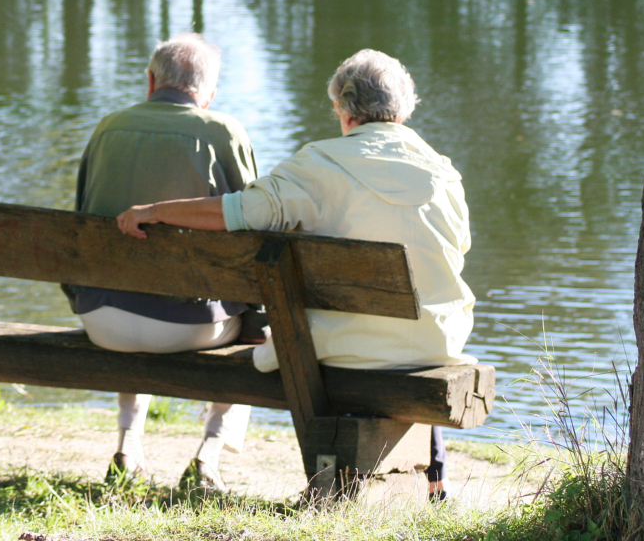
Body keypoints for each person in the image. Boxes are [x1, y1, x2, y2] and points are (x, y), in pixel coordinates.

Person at [115, 48, 476, 501]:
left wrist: (154, 211)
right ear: (402, 108)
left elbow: (238, 212)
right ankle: (432, 479)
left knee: (282, 342)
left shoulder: (320, 164)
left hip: (348, 348)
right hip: (433, 343)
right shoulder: (444, 173)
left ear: (342, 108)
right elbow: (457, 253)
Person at [65, 33, 261, 492]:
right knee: (253, 329)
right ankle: (208, 456)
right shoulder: (222, 131)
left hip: (102, 319)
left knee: (133, 276)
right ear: (208, 92)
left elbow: (77, 225)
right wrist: (260, 318)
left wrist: (84, 298)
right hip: (189, 327)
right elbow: (254, 235)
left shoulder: (107, 127)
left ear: (150, 80)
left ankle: (128, 445)